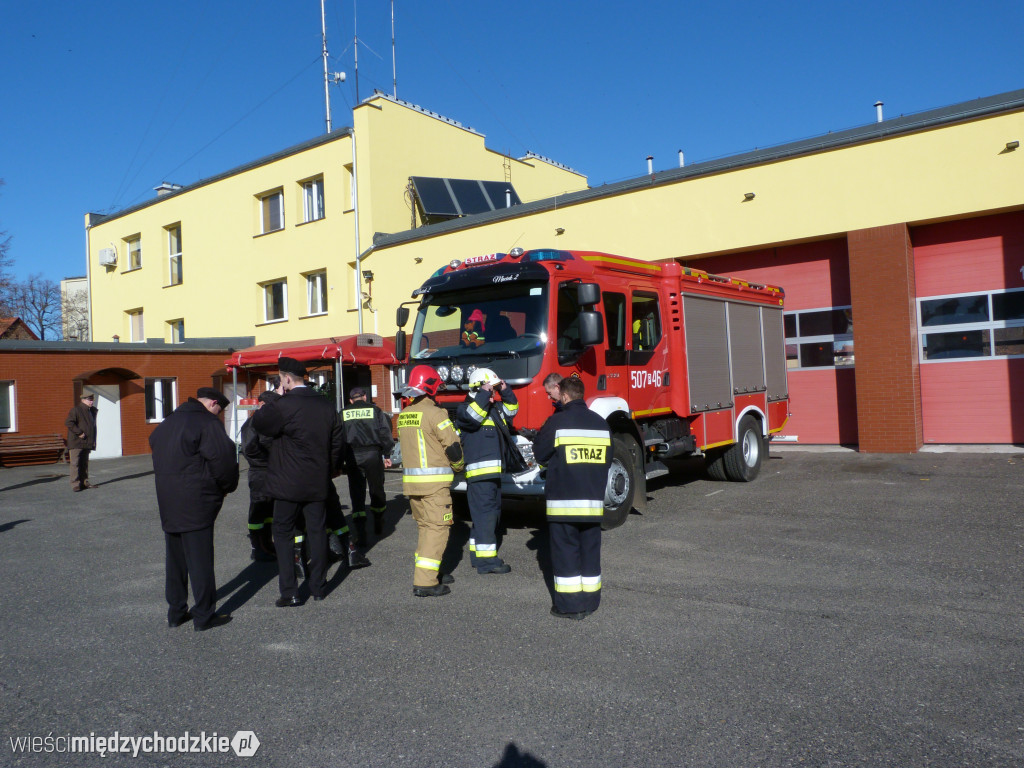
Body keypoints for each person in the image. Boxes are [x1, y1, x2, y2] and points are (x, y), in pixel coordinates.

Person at [252, 357, 346, 607]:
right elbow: (337, 442)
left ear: (285, 379)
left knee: (282, 533)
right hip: (317, 481)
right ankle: (318, 587)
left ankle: (290, 592)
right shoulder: (326, 405)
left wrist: (273, 398)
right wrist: (331, 469)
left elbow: (259, 423)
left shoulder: (284, 405)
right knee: (317, 531)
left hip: (287, 483)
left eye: (279, 378)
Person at [150, 387, 239, 632]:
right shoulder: (206, 423)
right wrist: (227, 486)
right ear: (212, 404)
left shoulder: (167, 423)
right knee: (200, 560)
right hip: (197, 501)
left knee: (176, 560)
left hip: (168, 500)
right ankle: (204, 615)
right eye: (219, 410)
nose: (218, 415)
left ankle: (176, 612)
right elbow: (224, 460)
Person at [532, 376, 611, 620]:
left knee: (566, 553)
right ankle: (591, 601)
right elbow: (607, 461)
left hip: (564, 503)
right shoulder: (601, 424)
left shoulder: (558, 422)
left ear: (564, 395)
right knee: (590, 553)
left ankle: (569, 605)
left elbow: (540, 454)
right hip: (593, 503)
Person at [397, 365, 464, 597]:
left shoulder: (405, 415)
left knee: (426, 529)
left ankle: (432, 572)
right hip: (435, 486)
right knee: (437, 529)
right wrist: (458, 467)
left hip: (412, 486)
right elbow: (453, 447)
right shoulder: (436, 413)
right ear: (431, 387)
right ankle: (425, 582)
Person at [455, 367, 518, 575]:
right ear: (478, 389)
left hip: (493, 475)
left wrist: (505, 389)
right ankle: (487, 563)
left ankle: (477, 555)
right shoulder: (465, 410)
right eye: (490, 390)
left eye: (493, 390)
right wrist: (485, 393)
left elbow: (512, 409)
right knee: (486, 517)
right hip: (479, 477)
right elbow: (473, 418)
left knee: (489, 517)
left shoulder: (493, 409)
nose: (493, 394)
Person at [342, 386, 395, 542]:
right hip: (373, 454)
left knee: (357, 493)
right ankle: (378, 520)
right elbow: (385, 433)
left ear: (351, 400)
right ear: (365, 397)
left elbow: (338, 437)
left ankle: (360, 532)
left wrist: (339, 460)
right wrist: (387, 454)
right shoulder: (376, 411)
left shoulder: (343, 413)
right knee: (376, 489)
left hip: (352, 456)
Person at [239, 378, 282, 562]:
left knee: (270, 509)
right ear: (262, 404)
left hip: (271, 470)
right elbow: (249, 449)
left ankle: (267, 543)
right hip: (260, 471)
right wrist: (267, 459)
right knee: (258, 509)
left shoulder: (268, 420)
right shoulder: (253, 423)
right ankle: (258, 547)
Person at [65, 391, 98, 492]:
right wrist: (79, 433)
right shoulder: (76, 410)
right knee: (75, 463)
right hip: (76, 442)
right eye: (89, 400)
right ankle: (75, 484)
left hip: (87, 441)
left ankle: (84, 482)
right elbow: (69, 423)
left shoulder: (91, 411)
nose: (91, 402)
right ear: (83, 400)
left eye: (92, 400)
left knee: (84, 463)